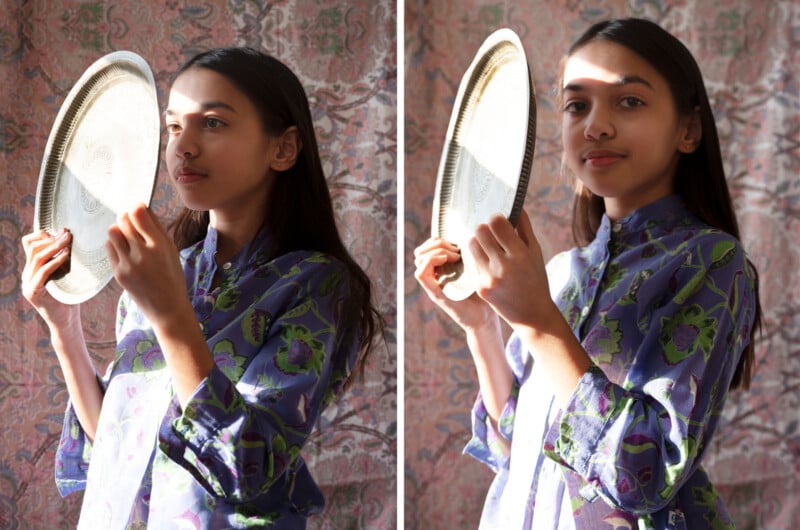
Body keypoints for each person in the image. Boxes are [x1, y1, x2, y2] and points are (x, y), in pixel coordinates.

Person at [414, 18, 761, 529]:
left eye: (629, 101)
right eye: (578, 105)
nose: (595, 125)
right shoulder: (558, 272)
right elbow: (513, 443)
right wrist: (479, 326)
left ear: (688, 129)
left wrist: (536, 321)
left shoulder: (711, 262)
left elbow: (643, 475)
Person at [21, 47, 383, 529]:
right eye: (173, 126)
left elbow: (249, 470)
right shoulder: (167, 269)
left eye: (212, 122)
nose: (183, 146)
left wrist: (171, 316)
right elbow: (115, 439)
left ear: (283, 148)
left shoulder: (316, 284)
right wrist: (62, 323)